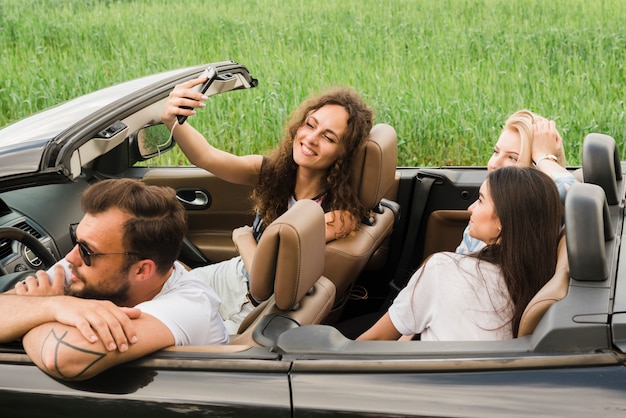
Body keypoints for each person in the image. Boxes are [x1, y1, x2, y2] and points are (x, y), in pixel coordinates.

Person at [161, 80, 374, 333]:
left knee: (167, 327)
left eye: (328, 137)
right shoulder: (275, 172)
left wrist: (243, 239)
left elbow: (269, 283)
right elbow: (206, 157)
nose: (311, 138)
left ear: (344, 153)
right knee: (157, 292)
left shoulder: (338, 216)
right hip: (235, 275)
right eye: (310, 125)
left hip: (254, 309)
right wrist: (172, 120)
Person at [0, 179, 229, 381]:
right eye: (76, 241)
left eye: (87, 251)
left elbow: (62, 356)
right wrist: (53, 306)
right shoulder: (82, 266)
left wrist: (37, 311)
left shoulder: (189, 305)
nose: (70, 258)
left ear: (141, 270)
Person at [358, 166, 562, 341]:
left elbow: (375, 339)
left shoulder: (445, 270)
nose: (470, 208)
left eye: (481, 200)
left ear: (502, 221)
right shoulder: (544, 280)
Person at [456, 110, 577, 254]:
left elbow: (577, 196)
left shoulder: (541, 221)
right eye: (496, 152)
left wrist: (544, 157)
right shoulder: (481, 218)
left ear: (537, 173)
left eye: (512, 158)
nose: (494, 163)